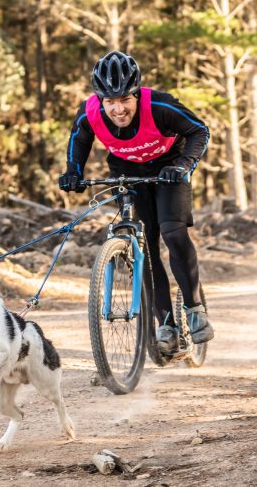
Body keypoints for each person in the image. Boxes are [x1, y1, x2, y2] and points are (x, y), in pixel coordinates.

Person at [58, 51, 213, 352]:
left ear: (137, 95)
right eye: (110, 101)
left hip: (168, 170)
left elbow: (199, 131)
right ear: (100, 99)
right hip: (127, 171)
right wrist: (73, 173)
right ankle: (165, 325)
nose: (118, 109)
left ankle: (194, 309)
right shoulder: (89, 112)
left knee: (172, 232)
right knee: (145, 245)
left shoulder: (160, 106)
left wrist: (182, 165)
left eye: (125, 100)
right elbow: (79, 140)